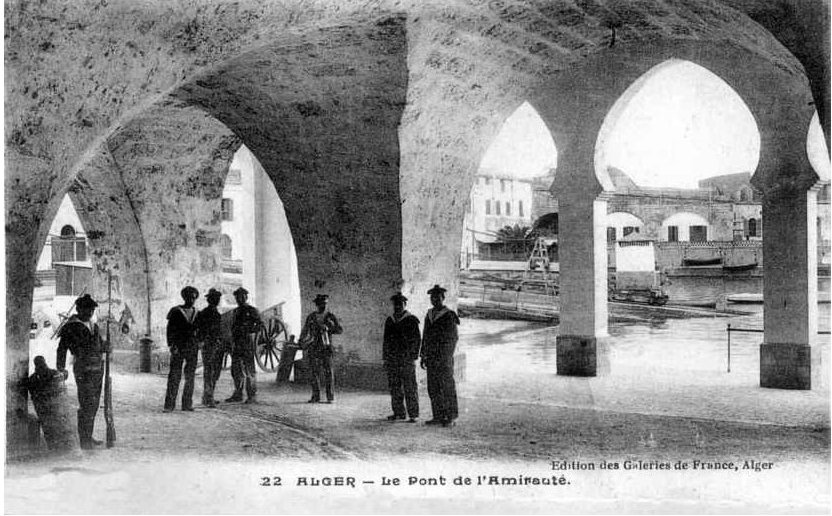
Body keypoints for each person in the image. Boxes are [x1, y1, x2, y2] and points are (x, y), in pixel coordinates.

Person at [56, 293, 109, 449]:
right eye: (86, 309)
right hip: (83, 369)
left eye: (92, 310)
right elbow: (62, 348)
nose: (90, 313)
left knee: (94, 404)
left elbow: (100, 344)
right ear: (78, 309)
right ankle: (84, 439)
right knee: (86, 403)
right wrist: (61, 368)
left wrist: (106, 347)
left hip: (98, 369)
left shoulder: (94, 326)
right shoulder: (71, 326)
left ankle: (88, 435)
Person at [420, 285, 460, 427]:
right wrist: (423, 354)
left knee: (447, 386)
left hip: (443, 358)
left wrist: (445, 356)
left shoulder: (449, 315)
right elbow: (425, 336)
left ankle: (450, 417)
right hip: (431, 358)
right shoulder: (429, 315)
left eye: (438, 297)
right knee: (434, 387)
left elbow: (453, 338)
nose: (435, 300)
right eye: (432, 297)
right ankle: (437, 415)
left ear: (443, 298)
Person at [383, 292, 420, 423]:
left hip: (406, 360)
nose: (398, 306)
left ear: (405, 304)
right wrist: (385, 358)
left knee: (410, 387)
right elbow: (386, 341)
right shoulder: (390, 320)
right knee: (395, 387)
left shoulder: (411, 320)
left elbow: (417, 340)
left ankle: (413, 414)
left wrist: (412, 356)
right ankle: (398, 412)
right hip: (393, 360)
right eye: (395, 304)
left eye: (400, 304)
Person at [299, 294, 342, 404]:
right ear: (316, 305)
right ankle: (316, 396)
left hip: (326, 348)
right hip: (314, 347)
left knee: (328, 372)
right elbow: (305, 330)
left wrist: (329, 328)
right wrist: (301, 340)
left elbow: (339, 330)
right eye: (320, 304)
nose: (322, 306)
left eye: (324, 304)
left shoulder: (330, 316)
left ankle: (330, 397)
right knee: (314, 372)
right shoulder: (311, 317)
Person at [164, 286, 200, 412]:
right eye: (189, 297)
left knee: (190, 377)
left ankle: (187, 404)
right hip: (178, 348)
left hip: (192, 348)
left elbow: (200, 331)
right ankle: (169, 405)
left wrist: (199, 343)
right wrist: (171, 345)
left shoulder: (197, 313)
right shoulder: (176, 312)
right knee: (174, 376)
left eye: (193, 298)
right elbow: (170, 330)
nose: (191, 300)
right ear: (184, 297)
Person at [226, 287, 263, 404]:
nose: (239, 299)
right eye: (237, 297)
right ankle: (238, 394)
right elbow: (233, 327)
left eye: (242, 297)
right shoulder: (235, 311)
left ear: (246, 297)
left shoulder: (252, 310)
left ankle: (252, 396)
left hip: (247, 342)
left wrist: (248, 329)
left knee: (249, 369)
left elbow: (260, 325)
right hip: (237, 343)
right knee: (236, 370)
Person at [195, 288, 223, 407]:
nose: (216, 300)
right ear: (209, 300)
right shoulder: (205, 313)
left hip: (215, 345)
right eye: (214, 298)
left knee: (214, 371)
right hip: (209, 345)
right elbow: (200, 330)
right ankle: (208, 398)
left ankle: (208, 396)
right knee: (210, 371)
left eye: (217, 298)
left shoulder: (216, 313)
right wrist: (203, 342)